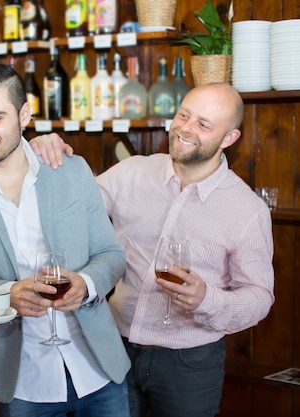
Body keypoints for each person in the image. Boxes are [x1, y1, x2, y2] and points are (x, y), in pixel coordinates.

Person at [31, 82, 275, 417]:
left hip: (189, 363)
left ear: (229, 138)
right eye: (183, 115)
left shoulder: (247, 210)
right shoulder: (132, 172)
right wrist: (45, 153)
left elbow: (260, 296)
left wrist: (208, 299)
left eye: (203, 125)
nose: (185, 129)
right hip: (114, 348)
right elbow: (74, 206)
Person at [0, 63, 131, 417]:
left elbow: (111, 254)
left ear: (24, 114)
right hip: (23, 384)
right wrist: (6, 294)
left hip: (100, 373)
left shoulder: (70, 170)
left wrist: (87, 283)